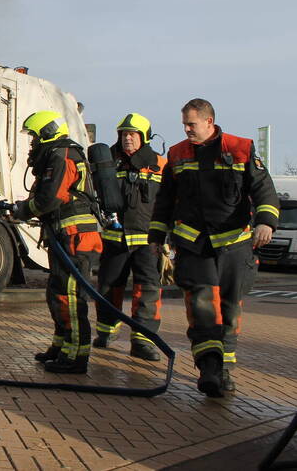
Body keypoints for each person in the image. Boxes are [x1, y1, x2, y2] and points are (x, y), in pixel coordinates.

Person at [149, 99, 278, 397]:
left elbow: (264, 190)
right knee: (202, 306)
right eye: (184, 123)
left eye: (191, 124)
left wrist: (266, 222)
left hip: (235, 246)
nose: (186, 129)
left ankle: (224, 370)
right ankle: (209, 368)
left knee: (230, 309)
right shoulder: (177, 154)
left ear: (209, 122)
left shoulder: (240, 149)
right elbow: (165, 199)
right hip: (195, 246)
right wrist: (157, 235)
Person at [11, 110, 103, 374]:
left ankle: (76, 357)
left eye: (34, 137)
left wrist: (22, 210)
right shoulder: (57, 154)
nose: (32, 143)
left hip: (75, 238)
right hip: (65, 236)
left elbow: (50, 199)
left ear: (46, 133)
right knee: (57, 292)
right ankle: (61, 347)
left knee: (70, 297)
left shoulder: (62, 156)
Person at [93, 113, 166, 361]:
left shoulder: (160, 165)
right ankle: (106, 332)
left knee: (146, 290)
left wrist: (169, 237)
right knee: (108, 287)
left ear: (144, 137)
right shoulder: (108, 164)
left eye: (133, 134)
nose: (127, 139)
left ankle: (143, 342)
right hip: (115, 239)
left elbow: (171, 202)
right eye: (124, 134)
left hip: (147, 241)